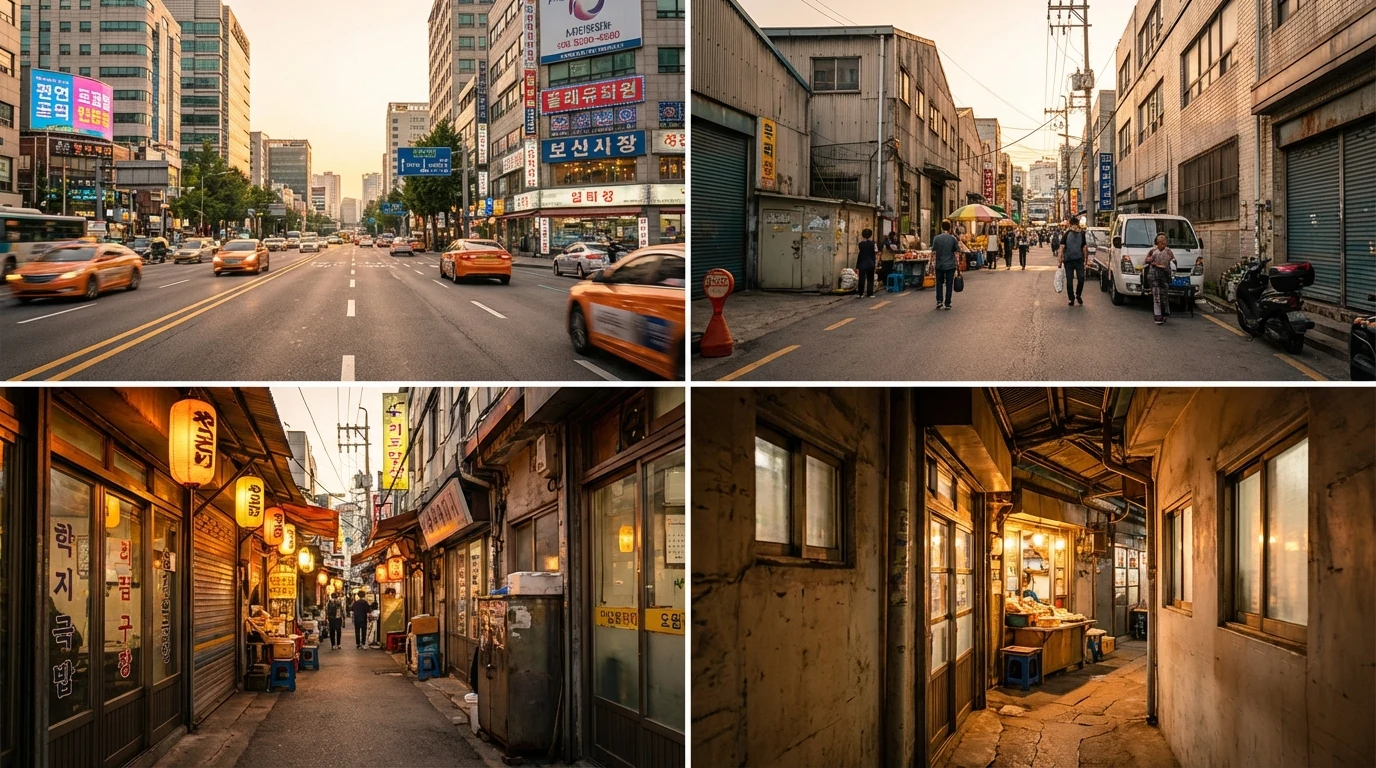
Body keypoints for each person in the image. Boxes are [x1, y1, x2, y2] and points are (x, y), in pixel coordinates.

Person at [1145, 232, 1178, 324]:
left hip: (1165, 276)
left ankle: (1164, 314)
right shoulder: (1152, 251)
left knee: (1164, 296)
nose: (1163, 244)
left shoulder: (1168, 251)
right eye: (1161, 242)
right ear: (1157, 243)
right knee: (1156, 296)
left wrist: (1172, 265)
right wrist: (1151, 260)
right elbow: (1146, 260)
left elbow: (1173, 261)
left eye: (1165, 242)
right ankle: (1157, 316)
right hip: (1154, 276)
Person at [931, 220, 961, 310]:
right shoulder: (953, 239)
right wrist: (958, 264)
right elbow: (957, 252)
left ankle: (939, 301)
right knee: (949, 284)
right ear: (950, 228)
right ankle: (947, 303)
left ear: (941, 227)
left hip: (939, 264)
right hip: (950, 265)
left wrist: (932, 264)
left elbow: (933, 252)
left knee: (939, 283)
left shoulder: (936, 238)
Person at [1058, 219, 1087, 306]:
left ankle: (1078, 295)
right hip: (1068, 261)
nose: (1074, 227)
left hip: (1079, 260)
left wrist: (1085, 260)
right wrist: (1060, 260)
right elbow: (1062, 247)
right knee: (1070, 281)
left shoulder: (1082, 234)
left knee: (1081, 278)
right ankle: (1071, 299)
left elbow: (1084, 247)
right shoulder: (1066, 234)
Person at [855, 228, 878, 298]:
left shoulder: (860, 244)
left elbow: (860, 252)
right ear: (870, 235)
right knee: (870, 279)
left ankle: (860, 293)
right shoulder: (873, 244)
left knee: (861, 279)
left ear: (862, 235)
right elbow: (876, 251)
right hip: (870, 263)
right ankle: (869, 293)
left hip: (862, 263)